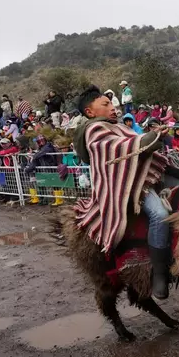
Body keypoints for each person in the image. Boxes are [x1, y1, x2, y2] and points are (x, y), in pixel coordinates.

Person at [73, 85, 171, 299]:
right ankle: (160, 275)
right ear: (90, 112)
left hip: (140, 179)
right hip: (121, 189)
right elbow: (120, 149)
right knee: (160, 215)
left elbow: (133, 144)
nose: (113, 107)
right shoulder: (94, 131)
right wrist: (150, 138)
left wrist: (154, 137)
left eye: (112, 103)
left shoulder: (115, 126)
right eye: (106, 104)